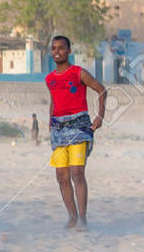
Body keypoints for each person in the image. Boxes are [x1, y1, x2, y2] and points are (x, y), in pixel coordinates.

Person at [44, 35, 107, 231]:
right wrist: (50, 121)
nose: (57, 51)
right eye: (54, 48)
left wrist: (100, 117)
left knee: (77, 173)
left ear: (69, 51)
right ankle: (71, 216)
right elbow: (54, 101)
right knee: (61, 176)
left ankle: (83, 218)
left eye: (61, 48)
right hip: (58, 130)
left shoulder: (79, 73)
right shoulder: (50, 79)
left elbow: (102, 90)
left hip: (79, 128)